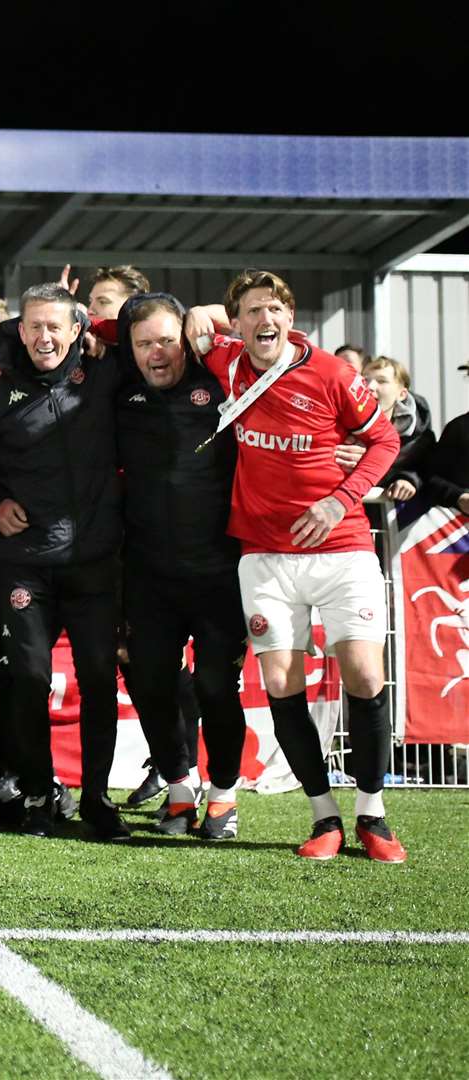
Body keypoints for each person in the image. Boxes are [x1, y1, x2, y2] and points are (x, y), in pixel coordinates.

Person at [184, 270, 405, 861]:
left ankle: (372, 813)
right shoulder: (227, 362)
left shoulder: (332, 372)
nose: (266, 321)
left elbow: (384, 441)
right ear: (238, 324)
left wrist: (339, 499)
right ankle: (323, 816)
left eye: (275, 309)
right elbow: (177, 321)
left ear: (291, 317)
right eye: (253, 311)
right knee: (282, 682)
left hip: (341, 548)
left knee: (363, 674)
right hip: (265, 556)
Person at [0, 282, 128, 839]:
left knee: (97, 681)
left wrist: (104, 335)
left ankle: (96, 798)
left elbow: (145, 327)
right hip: (24, 563)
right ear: (19, 330)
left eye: (54, 326)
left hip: (93, 562)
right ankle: (39, 793)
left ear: (76, 330)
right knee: (29, 679)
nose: (44, 336)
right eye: (33, 326)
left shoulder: (105, 377)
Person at [99, 293, 249, 838]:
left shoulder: (222, 376)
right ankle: (180, 789)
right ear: (129, 348)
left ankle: (225, 796)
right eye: (143, 343)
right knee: (153, 682)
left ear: (186, 338)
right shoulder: (120, 385)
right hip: (147, 573)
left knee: (214, 687)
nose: (157, 353)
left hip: (218, 572)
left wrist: (208, 313)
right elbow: (42, 329)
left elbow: (267, 330)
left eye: (167, 340)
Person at [362, 355, 434, 502]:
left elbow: (428, 470)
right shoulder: (338, 426)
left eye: (381, 381)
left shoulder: (419, 439)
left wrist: (408, 479)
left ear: (402, 394)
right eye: (364, 380)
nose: (369, 387)